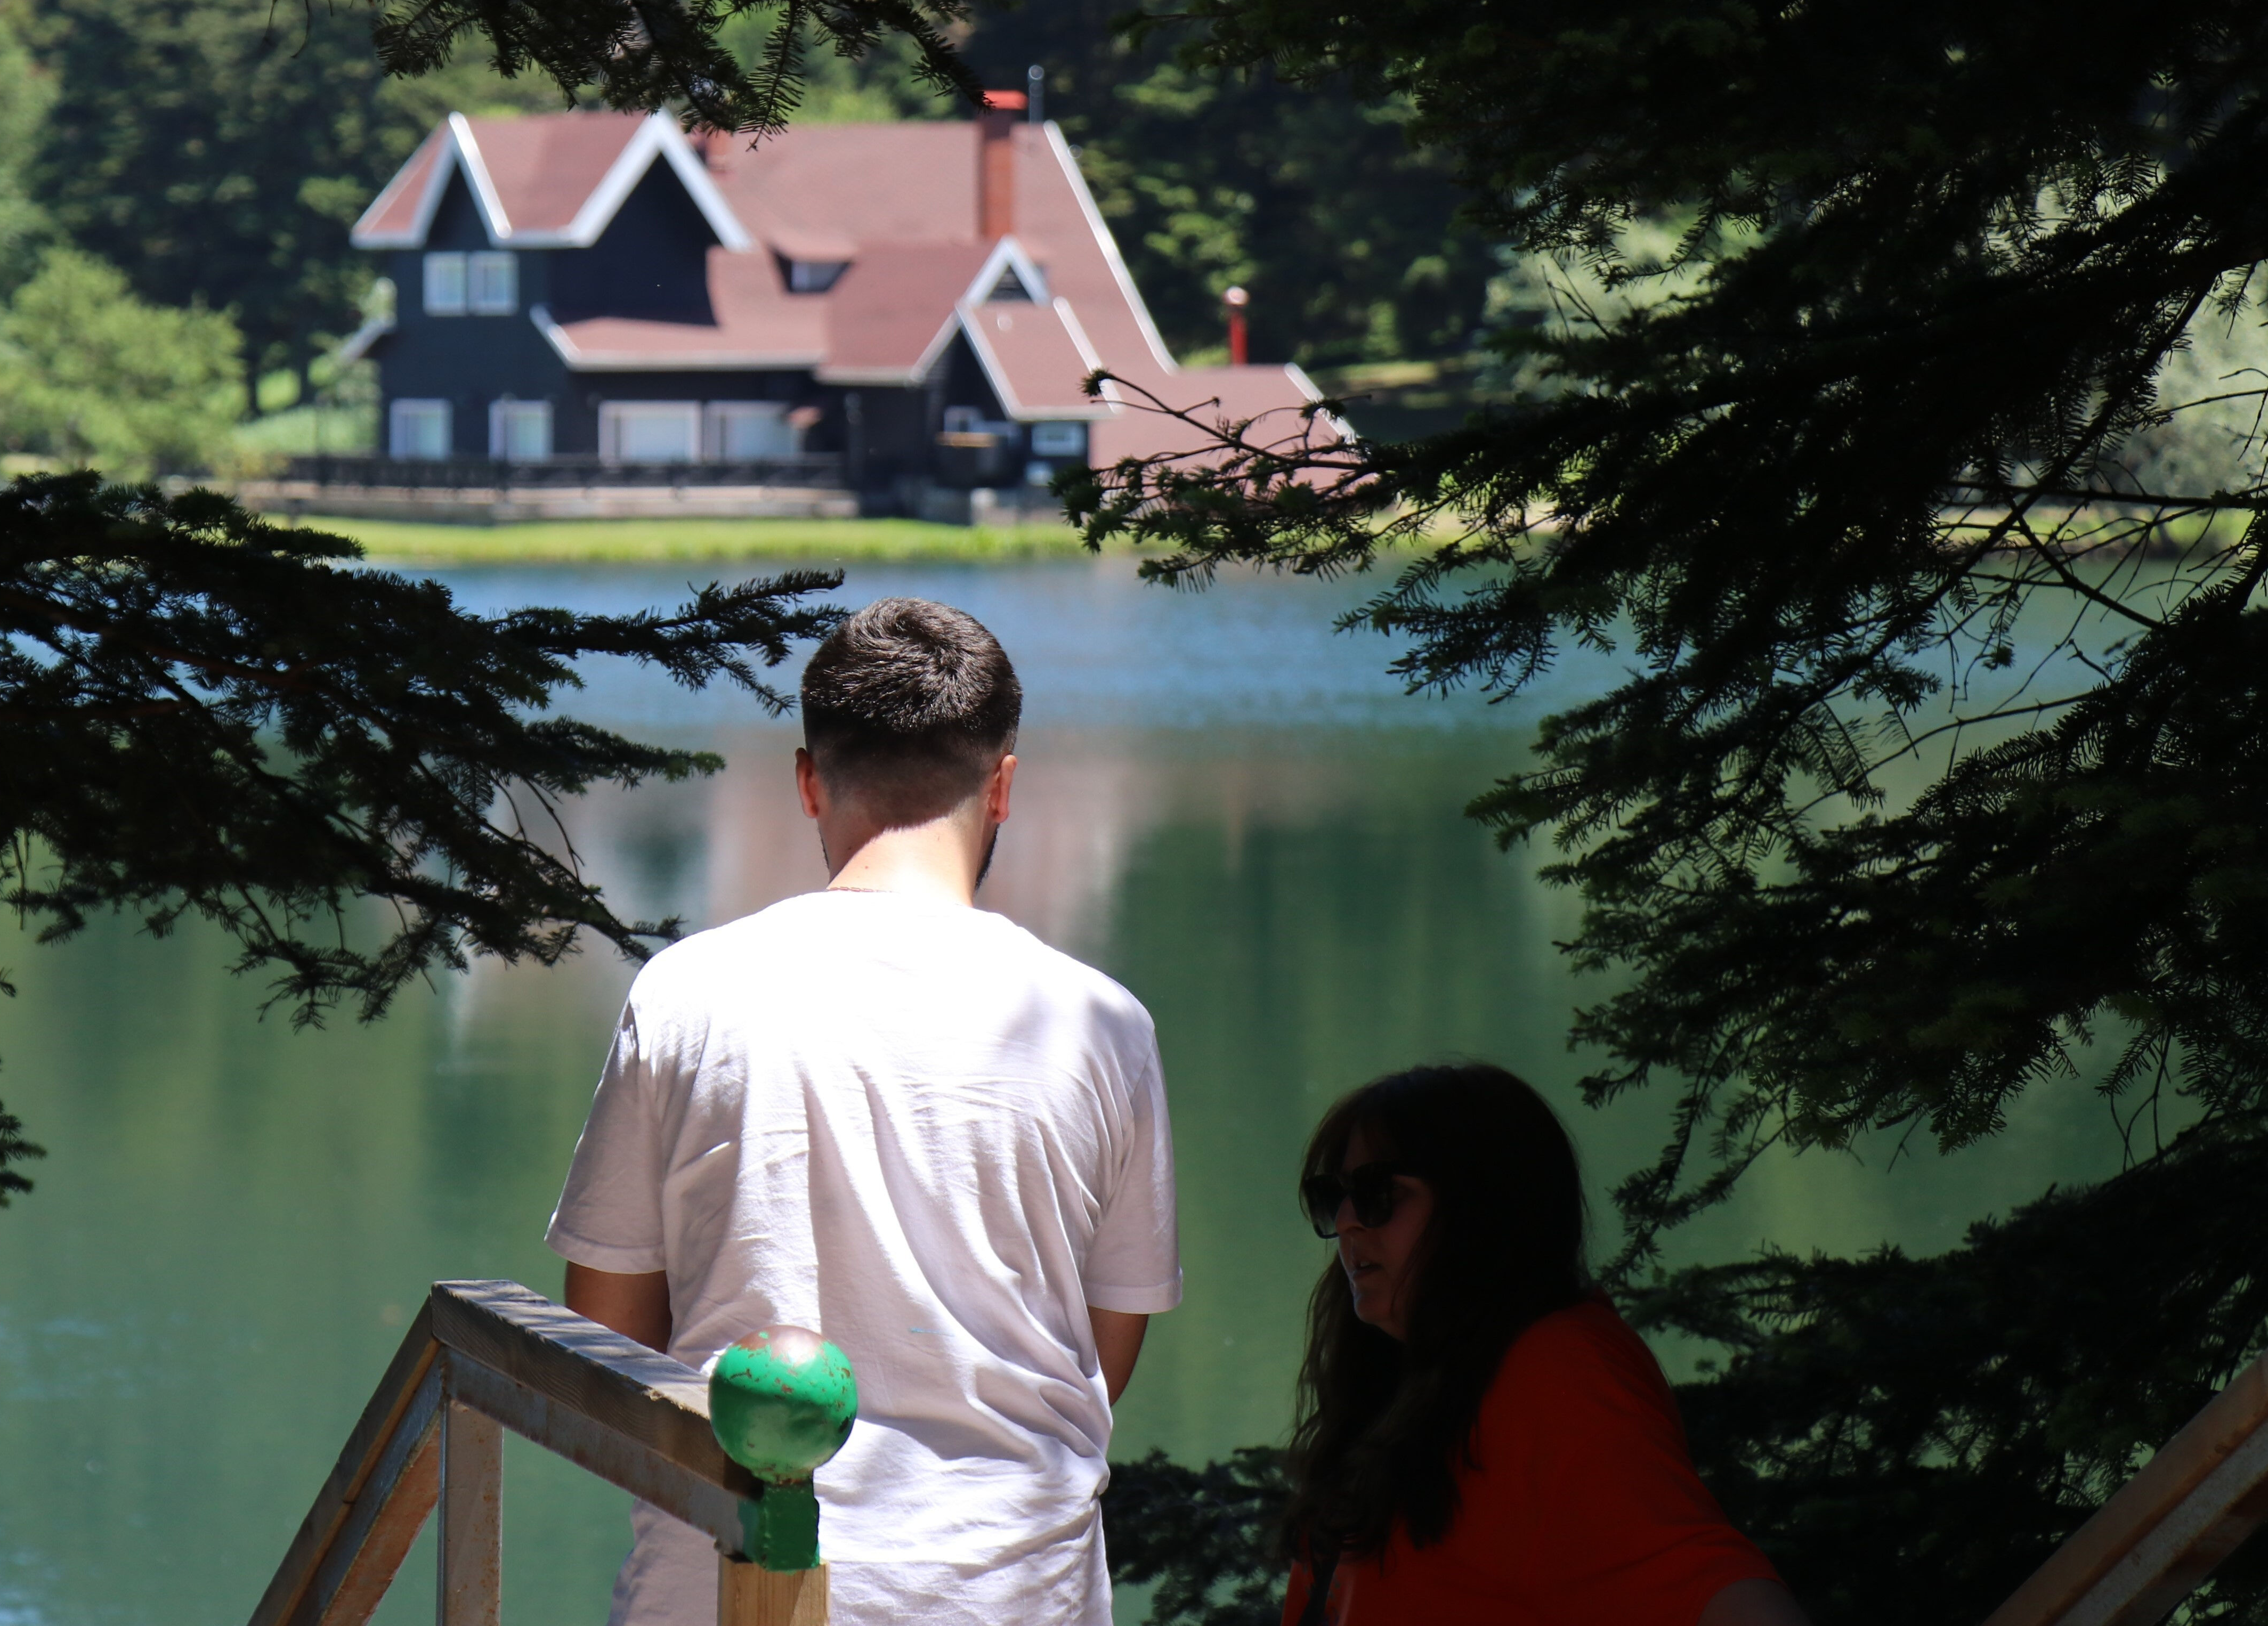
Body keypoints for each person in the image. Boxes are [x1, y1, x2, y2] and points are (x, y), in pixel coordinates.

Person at [547, 597, 1180, 1626]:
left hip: (726, 1585)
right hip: (1011, 1593)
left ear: (808, 781)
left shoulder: (686, 993)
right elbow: (1101, 1350)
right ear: (1004, 786)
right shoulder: (1103, 1025)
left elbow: (607, 1329)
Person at [1282, 1062, 1809, 1626]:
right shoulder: (1405, 1382)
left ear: (1482, 1204)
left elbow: (1710, 1585)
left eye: (1379, 1193)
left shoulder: (1557, 1370)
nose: (1347, 1221)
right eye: (1334, 1196)